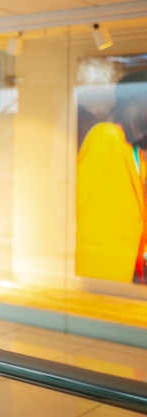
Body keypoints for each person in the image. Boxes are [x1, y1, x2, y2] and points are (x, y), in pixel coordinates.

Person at [76, 70, 147, 284]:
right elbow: (82, 209)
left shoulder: (135, 153)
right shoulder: (105, 136)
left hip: (127, 276)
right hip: (101, 274)